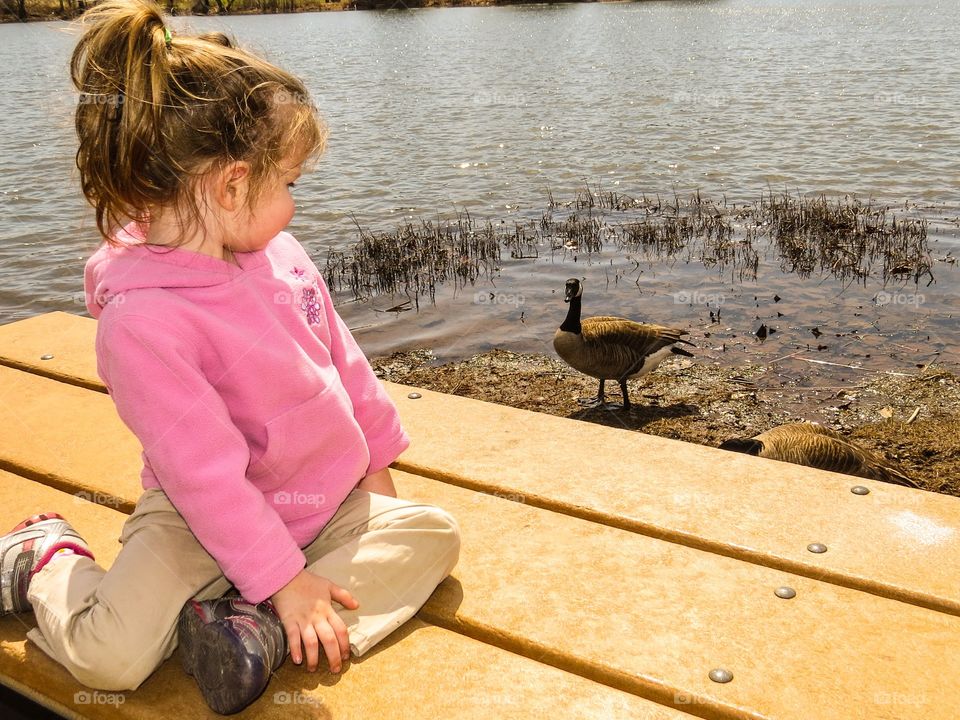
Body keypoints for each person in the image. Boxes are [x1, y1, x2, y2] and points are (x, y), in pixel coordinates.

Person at [0, 0, 460, 714]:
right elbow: (205, 477)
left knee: (432, 535)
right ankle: (44, 561)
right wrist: (282, 575)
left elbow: (344, 363)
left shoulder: (278, 254)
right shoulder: (143, 324)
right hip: (197, 518)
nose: (295, 207)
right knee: (110, 657)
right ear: (233, 184)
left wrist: (375, 469)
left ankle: (256, 630)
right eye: (291, 185)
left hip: (321, 501)